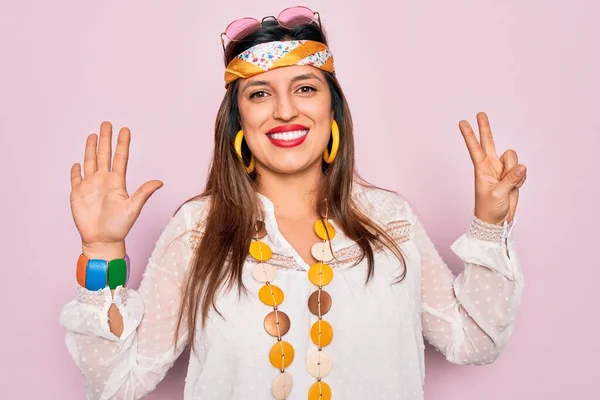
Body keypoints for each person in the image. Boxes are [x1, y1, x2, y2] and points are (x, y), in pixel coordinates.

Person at [60, 6, 527, 400]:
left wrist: (489, 225)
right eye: (260, 94)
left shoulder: (390, 220)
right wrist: (102, 250)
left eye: (305, 87)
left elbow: (475, 340)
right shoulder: (196, 229)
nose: (285, 110)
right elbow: (117, 384)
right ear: (238, 122)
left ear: (332, 108)